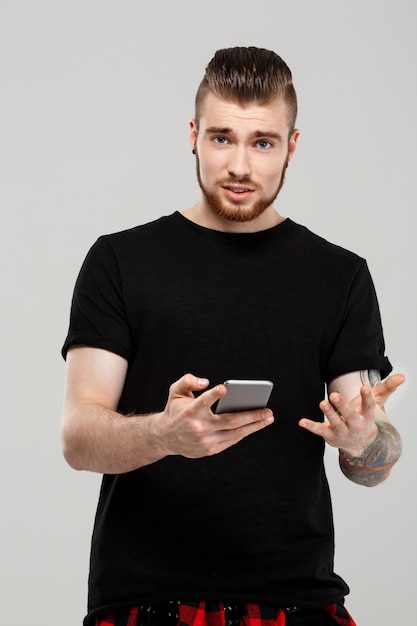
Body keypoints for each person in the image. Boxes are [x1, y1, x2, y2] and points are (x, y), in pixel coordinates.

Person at [61, 46, 404, 626]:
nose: (241, 166)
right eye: (222, 138)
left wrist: (364, 439)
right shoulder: (119, 261)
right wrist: (165, 435)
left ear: (291, 145)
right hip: (146, 602)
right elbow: (78, 438)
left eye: (263, 143)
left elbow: (372, 453)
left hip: (298, 601)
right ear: (193, 136)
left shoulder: (341, 275)